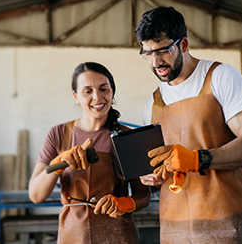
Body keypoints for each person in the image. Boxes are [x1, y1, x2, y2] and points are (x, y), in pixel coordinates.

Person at [134, 6, 242, 243]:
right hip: (174, 227)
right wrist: (153, 176)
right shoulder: (153, 102)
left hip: (224, 223)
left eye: (163, 50)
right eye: (147, 53)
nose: (155, 62)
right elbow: (161, 166)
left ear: (183, 45)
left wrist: (197, 159)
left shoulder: (220, 77)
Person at [28, 62, 151, 244]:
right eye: (88, 91)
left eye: (103, 89)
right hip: (72, 236)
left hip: (118, 235)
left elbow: (144, 195)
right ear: (76, 96)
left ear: (112, 92)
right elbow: (36, 195)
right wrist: (57, 163)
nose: (97, 97)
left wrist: (123, 203)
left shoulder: (127, 137)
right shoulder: (58, 134)